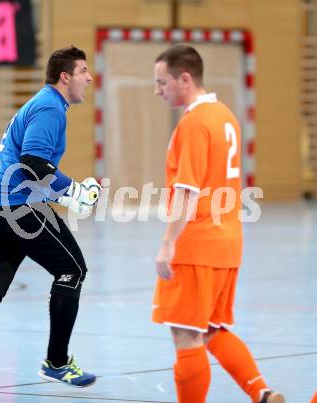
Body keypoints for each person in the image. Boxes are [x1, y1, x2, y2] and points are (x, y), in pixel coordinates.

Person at [0, 46, 100, 399]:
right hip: (15, 207)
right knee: (72, 270)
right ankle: (56, 363)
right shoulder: (50, 107)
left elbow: (32, 164)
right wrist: (73, 190)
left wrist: (63, 194)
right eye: (83, 71)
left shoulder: (43, 104)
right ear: (65, 76)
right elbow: (32, 162)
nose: (88, 78)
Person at [151, 44, 285, 403]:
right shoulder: (225, 115)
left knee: (186, 335)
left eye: (162, 82)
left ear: (185, 78)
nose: (157, 90)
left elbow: (188, 190)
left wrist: (167, 243)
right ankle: (262, 393)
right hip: (228, 243)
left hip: (197, 244)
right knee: (212, 328)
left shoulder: (194, 123)